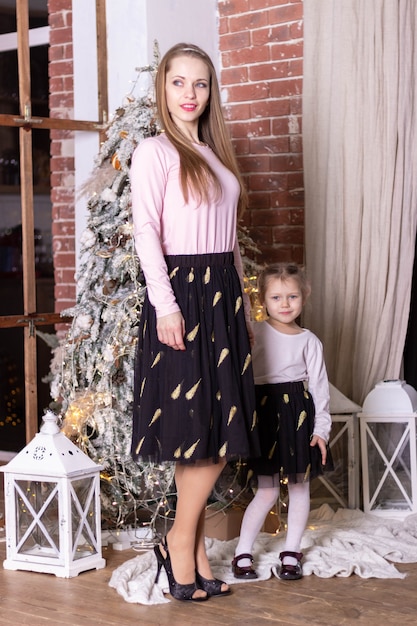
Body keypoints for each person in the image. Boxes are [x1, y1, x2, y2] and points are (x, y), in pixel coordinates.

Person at [129, 42, 260, 602]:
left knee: (213, 436)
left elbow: (228, 245)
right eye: (179, 83)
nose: (189, 94)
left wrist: (247, 309)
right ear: (164, 88)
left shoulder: (216, 153)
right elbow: (146, 234)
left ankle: (192, 547)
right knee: (198, 433)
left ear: (211, 93)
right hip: (181, 296)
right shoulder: (153, 153)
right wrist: (165, 305)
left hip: (223, 296)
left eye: (200, 84)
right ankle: (180, 541)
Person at [232, 263, 332, 581]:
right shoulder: (255, 332)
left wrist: (321, 431)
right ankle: (242, 552)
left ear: (304, 296)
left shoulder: (309, 341)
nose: (285, 304)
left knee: (300, 488)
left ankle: (291, 552)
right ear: (262, 300)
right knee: (266, 491)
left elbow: (319, 389)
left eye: (292, 296)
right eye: (276, 297)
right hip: (263, 414)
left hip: (297, 417)